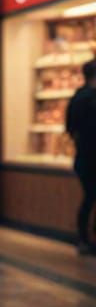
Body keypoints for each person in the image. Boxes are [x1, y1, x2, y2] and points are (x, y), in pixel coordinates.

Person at [66, 58, 96, 255]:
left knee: (89, 197)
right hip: (91, 156)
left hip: (83, 157)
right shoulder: (90, 98)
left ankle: (84, 238)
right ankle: (85, 238)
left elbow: (70, 128)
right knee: (91, 197)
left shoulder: (77, 98)